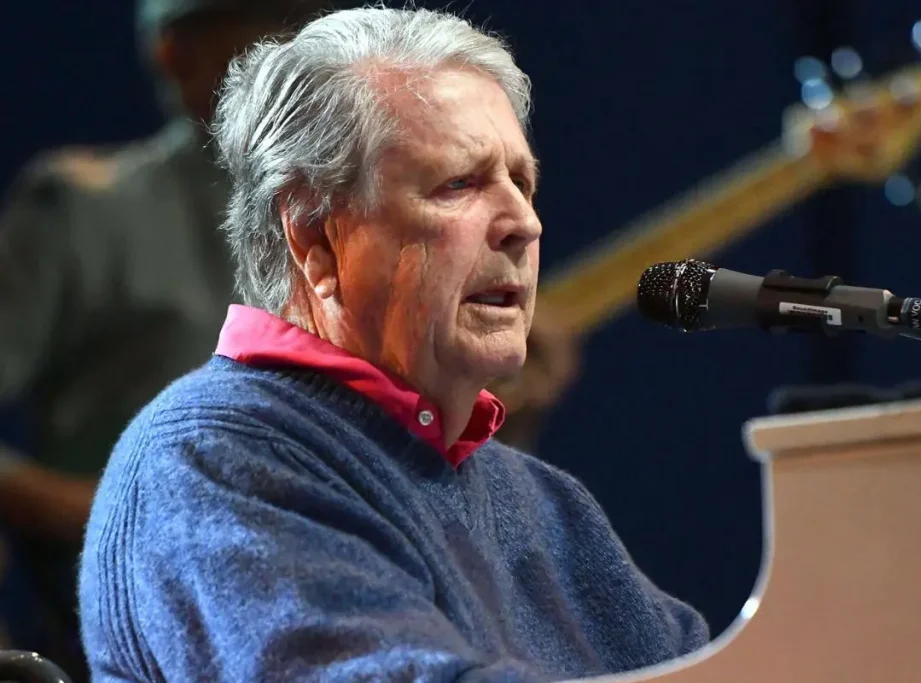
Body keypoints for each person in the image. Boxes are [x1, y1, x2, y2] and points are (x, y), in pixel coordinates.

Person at [78, 6, 709, 682]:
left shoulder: (549, 504)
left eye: (522, 183)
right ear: (315, 239)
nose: (523, 223)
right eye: (458, 185)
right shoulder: (210, 455)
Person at [0, 0, 577, 675]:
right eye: (258, 24)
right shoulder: (87, 210)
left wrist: (489, 412)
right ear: (173, 51)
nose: (291, 44)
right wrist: (96, 506)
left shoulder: (551, 507)